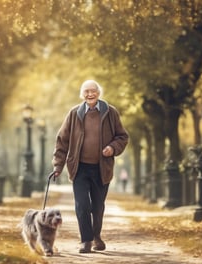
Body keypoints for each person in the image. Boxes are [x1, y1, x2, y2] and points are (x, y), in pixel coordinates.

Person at [52, 79, 129, 253]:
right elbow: (62, 141)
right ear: (82, 94)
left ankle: (96, 237)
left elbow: (122, 137)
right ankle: (86, 240)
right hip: (79, 168)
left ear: (98, 93)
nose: (90, 94)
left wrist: (112, 148)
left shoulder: (110, 112)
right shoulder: (74, 113)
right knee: (82, 205)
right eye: (86, 91)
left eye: (93, 91)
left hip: (102, 168)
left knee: (97, 206)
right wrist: (58, 166)